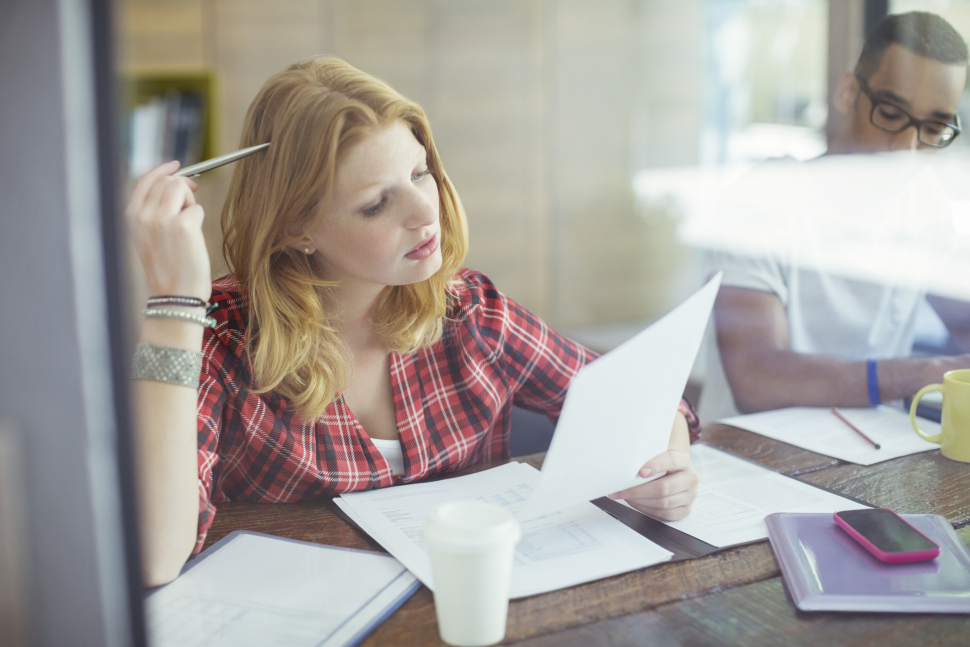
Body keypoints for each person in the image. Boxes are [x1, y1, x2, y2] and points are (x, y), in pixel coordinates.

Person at [126, 56, 702, 586]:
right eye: (377, 203)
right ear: (295, 229)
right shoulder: (221, 341)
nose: (427, 214)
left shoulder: (469, 311)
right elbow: (153, 555)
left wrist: (664, 470)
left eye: (421, 174)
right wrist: (174, 306)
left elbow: (648, 403)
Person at [699, 11, 970, 422]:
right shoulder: (764, 198)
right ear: (847, 92)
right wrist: (920, 373)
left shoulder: (924, 203)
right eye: (892, 115)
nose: (908, 149)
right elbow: (756, 378)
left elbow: (963, 318)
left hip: (873, 458)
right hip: (752, 455)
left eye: (934, 129)